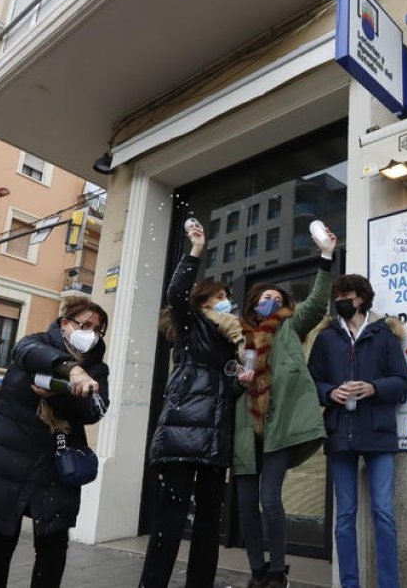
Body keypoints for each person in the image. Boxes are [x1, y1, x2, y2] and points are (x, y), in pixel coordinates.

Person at [0, 297, 110, 588]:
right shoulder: (34, 344)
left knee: (53, 546)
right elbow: (28, 357)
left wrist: (60, 392)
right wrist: (72, 372)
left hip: (55, 466)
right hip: (7, 459)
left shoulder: (98, 368)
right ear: (65, 324)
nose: (91, 333)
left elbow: (95, 410)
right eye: (85, 325)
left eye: (98, 330)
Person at [139, 221, 252, 588]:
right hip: (180, 438)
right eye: (218, 297)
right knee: (170, 521)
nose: (226, 302)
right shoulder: (190, 328)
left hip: (214, 442)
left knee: (208, 524)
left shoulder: (232, 342)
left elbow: (226, 392)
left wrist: (242, 382)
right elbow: (175, 292)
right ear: (203, 303)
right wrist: (195, 250)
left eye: (225, 297)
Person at [233, 227, 337, 588]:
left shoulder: (291, 328)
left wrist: (326, 258)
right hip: (245, 429)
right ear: (253, 302)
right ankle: (257, 569)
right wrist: (237, 380)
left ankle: (278, 571)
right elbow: (226, 379)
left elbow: (317, 302)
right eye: (265, 297)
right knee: (245, 505)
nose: (271, 302)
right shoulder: (238, 335)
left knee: (270, 500)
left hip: (277, 428)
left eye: (277, 298)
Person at [308, 275, 407, 588]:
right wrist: (330, 393)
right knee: (344, 517)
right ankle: (349, 584)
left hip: (378, 432)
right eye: (337, 294)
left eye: (347, 294)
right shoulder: (326, 338)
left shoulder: (384, 335)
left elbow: (402, 383)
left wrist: (373, 387)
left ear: (363, 298)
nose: (341, 299)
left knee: (383, 512)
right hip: (340, 433)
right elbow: (311, 383)